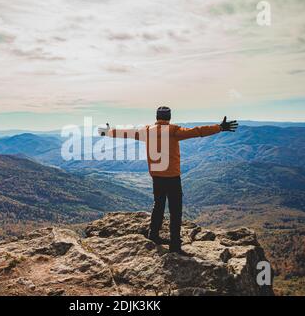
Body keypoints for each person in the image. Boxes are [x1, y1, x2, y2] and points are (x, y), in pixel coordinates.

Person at [98, 106, 238, 254]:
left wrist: (107, 132)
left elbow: (126, 133)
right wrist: (219, 127)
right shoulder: (174, 131)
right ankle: (175, 245)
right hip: (172, 177)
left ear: (157, 117)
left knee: (158, 205)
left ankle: (154, 235)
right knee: (175, 211)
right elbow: (197, 131)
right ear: (169, 117)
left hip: (157, 176)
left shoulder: (147, 131)